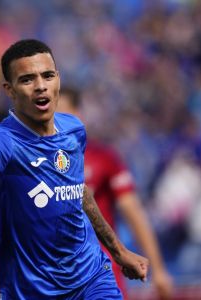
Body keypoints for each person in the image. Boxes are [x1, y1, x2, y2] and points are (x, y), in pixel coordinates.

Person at [0, 39, 148, 299]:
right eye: (27, 79)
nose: (40, 86)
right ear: (10, 90)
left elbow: (78, 192)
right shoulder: (0, 141)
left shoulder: (73, 129)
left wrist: (119, 252)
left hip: (92, 278)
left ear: (57, 79)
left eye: (47, 76)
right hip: (32, 291)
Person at [57, 87, 174, 299]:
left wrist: (159, 269)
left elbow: (133, 213)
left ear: (78, 114)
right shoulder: (34, 163)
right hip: (55, 275)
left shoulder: (103, 158)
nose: (56, 122)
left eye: (64, 114)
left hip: (100, 273)